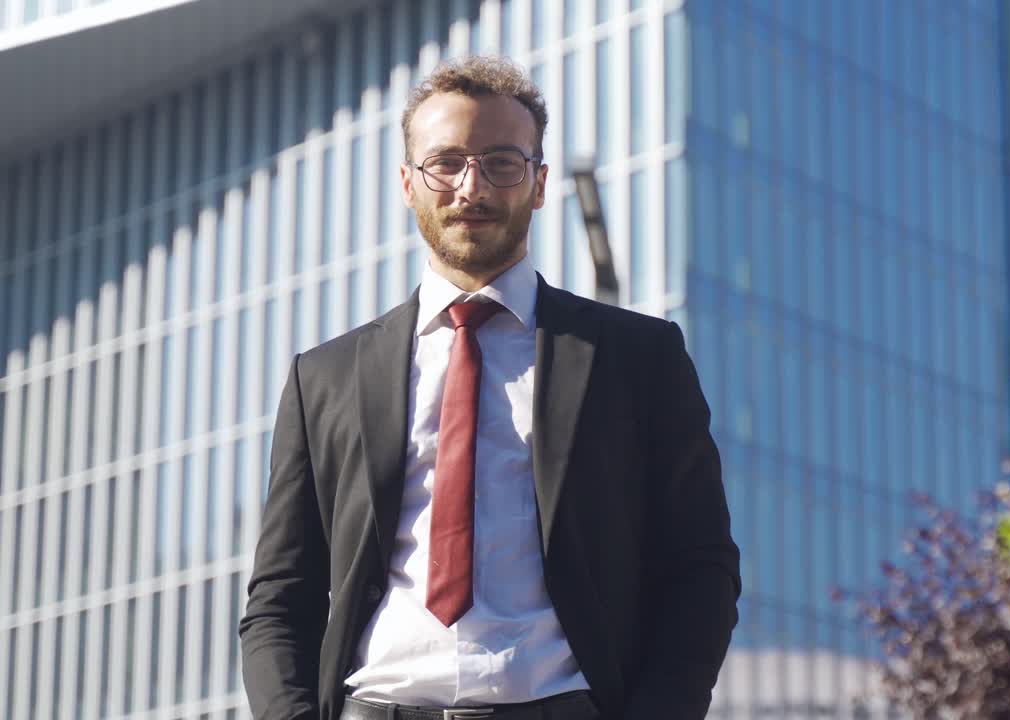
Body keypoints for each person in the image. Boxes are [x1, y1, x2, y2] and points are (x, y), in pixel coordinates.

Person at [238, 56, 741, 720]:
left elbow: (700, 568)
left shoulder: (637, 358)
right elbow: (281, 594)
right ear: (408, 183)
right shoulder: (324, 378)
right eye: (445, 162)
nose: (471, 186)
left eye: (502, 162)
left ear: (538, 183)